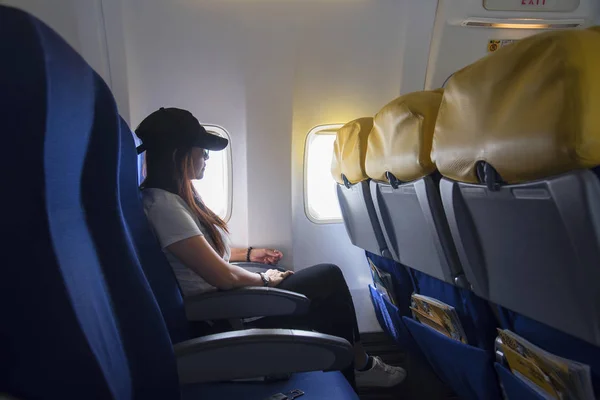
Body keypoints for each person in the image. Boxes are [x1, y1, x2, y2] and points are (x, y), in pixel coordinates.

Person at [136, 107, 407, 389]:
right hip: (220, 315)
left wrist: (250, 255)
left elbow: (201, 252)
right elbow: (223, 277)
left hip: (227, 302)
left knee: (322, 291)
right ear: (178, 153)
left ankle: (353, 365)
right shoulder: (164, 206)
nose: (206, 157)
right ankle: (358, 366)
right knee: (327, 279)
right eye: (202, 149)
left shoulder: (177, 198)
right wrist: (265, 279)